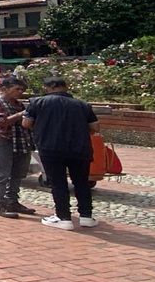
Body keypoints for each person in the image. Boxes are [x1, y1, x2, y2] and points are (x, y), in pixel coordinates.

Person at [23, 77, 100, 230]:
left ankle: (63, 217)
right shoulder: (82, 104)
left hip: (50, 148)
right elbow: (95, 127)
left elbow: (26, 123)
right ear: (66, 87)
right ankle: (86, 216)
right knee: (81, 182)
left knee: (58, 183)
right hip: (79, 149)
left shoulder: (37, 102)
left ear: (49, 87)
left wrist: (42, 129)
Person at [0, 77, 36, 219]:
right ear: (4, 89)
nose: (20, 92)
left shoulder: (19, 104)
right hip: (3, 140)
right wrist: (21, 114)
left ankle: (12, 201)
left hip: (21, 140)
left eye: (22, 90)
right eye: (17, 89)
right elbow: (1, 122)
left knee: (18, 173)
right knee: (2, 174)